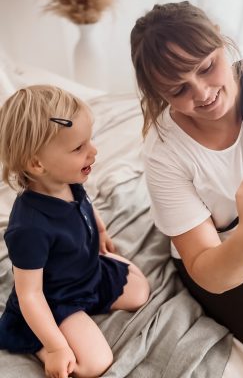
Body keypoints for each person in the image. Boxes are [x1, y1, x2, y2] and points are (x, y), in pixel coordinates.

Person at [130, 1, 243, 377]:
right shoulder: (164, 153)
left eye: (206, 68)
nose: (202, 93)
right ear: (158, 94)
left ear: (220, 40)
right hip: (229, 258)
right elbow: (207, 270)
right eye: (177, 88)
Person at [0, 85, 150, 378]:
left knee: (139, 293)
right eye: (79, 148)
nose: (93, 151)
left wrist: (101, 230)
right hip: (55, 298)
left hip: (86, 273)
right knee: (94, 363)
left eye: (90, 140)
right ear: (36, 164)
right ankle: (37, 339)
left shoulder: (67, 179)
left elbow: (85, 204)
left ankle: (91, 297)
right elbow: (29, 294)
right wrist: (56, 348)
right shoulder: (28, 228)